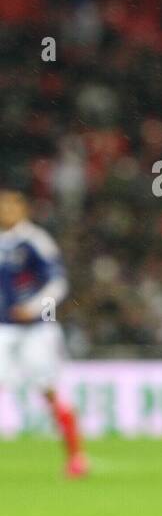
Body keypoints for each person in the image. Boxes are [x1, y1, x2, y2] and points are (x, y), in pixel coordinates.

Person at [0, 189, 87, 478]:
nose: (5, 211)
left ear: (22, 209)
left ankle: (75, 457)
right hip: (4, 328)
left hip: (37, 329)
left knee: (48, 389)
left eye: (10, 206)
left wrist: (35, 307)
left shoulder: (35, 240)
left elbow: (57, 283)